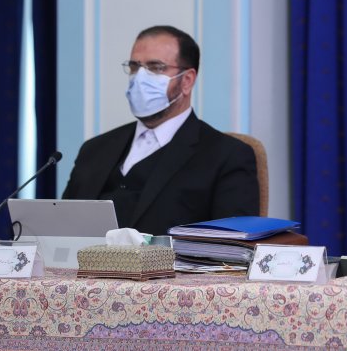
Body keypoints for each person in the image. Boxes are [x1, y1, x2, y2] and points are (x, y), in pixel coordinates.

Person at [63, 25, 260, 235]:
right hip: (86, 256)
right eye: (135, 67)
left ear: (187, 80)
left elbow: (232, 244)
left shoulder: (227, 156)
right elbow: (61, 227)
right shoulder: (94, 149)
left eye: (155, 68)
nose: (140, 78)